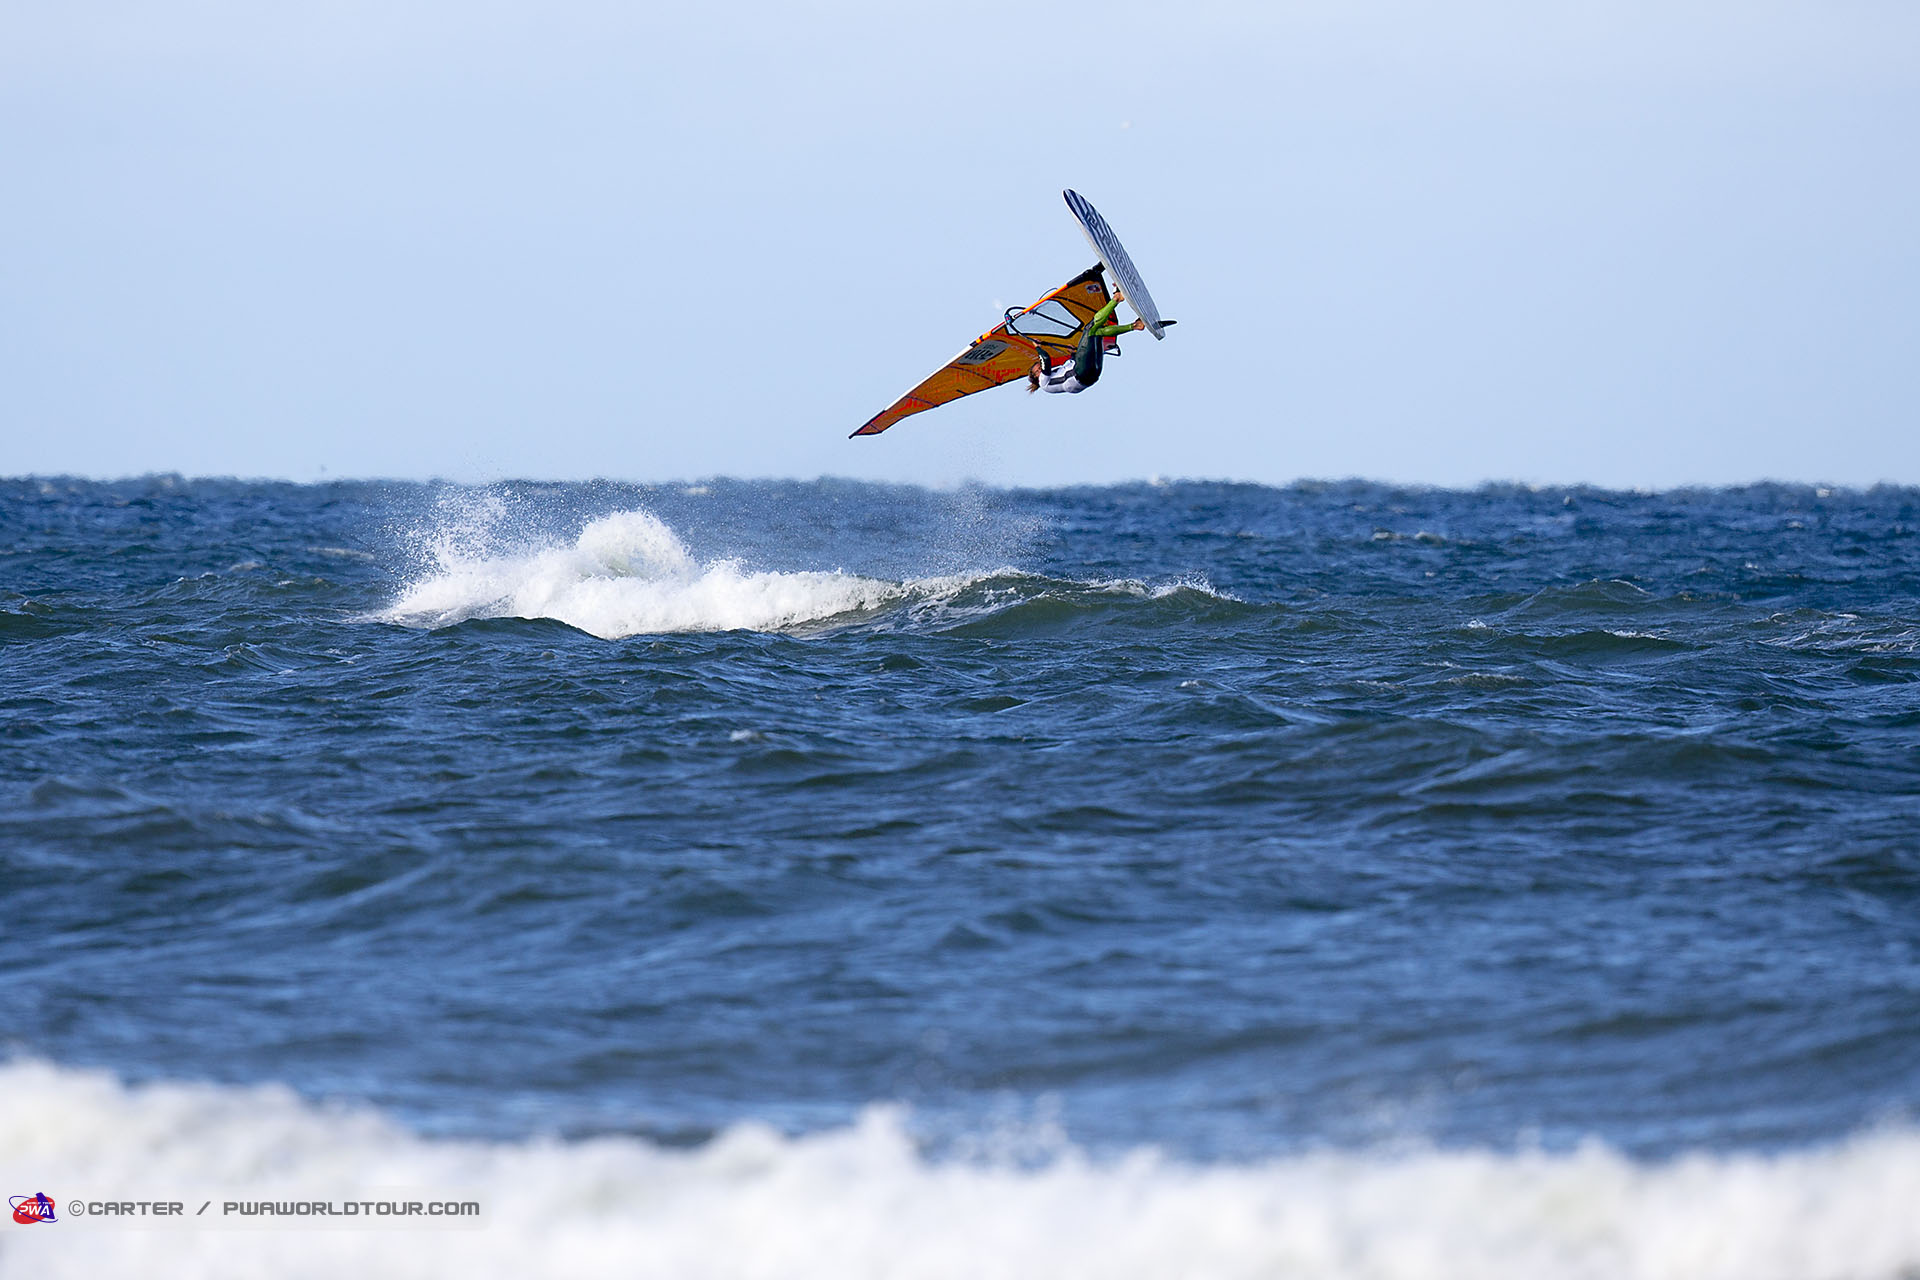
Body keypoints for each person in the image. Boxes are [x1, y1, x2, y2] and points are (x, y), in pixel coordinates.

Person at [1027, 292, 1150, 395]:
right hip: (1081, 373)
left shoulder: (1054, 377)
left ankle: (1135, 326)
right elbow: (1046, 359)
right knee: (1089, 329)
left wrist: (1073, 355)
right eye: (1038, 367)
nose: (1039, 365)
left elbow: (1066, 370)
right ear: (1036, 374)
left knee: (1098, 333)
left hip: (1091, 375)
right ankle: (1116, 299)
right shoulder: (1043, 382)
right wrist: (1038, 347)